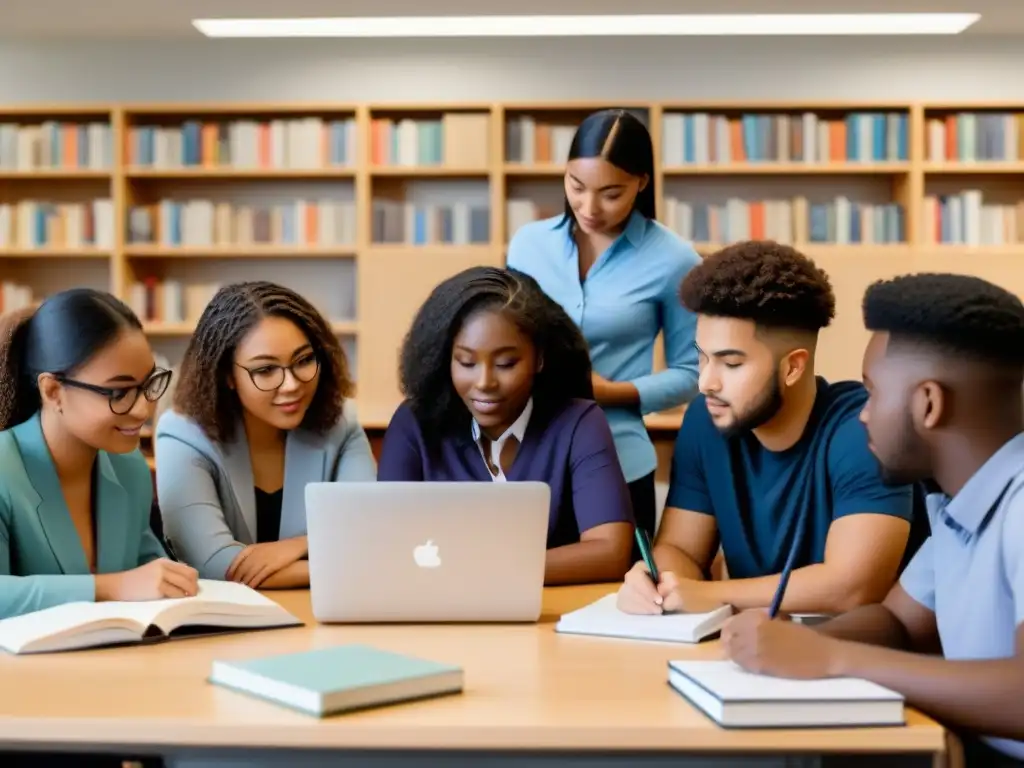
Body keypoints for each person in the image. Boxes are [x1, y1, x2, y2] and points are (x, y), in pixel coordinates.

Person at [722, 273, 1024, 767]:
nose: (863, 415)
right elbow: (899, 622)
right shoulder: (956, 506)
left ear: (928, 403)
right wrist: (798, 642)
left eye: (873, 392)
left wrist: (833, 659)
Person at [617, 241, 922, 617]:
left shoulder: (865, 428)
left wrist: (710, 595)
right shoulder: (705, 419)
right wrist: (659, 583)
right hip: (751, 649)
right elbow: (680, 548)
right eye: (702, 358)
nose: (706, 383)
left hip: (854, 657)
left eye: (730, 364)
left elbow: (852, 588)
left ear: (793, 367)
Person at [507, 108, 700, 549]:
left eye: (611, 193)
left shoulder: (675, 260)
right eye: (576, 186)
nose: (589, 207)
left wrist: (610, 392)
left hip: (619, 458)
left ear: (642, 183)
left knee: (622, 601)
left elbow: (692, 372)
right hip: (528, 455)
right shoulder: (528, 245)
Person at [377, 266, 635, 585]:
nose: (485, 382)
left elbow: (610, 552)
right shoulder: (414, 422)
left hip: (549, 618)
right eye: (466, 363)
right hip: (439, 614)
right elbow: (387, 546)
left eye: (505, 364)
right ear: (444, 359)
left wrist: (481, 571)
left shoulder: (579, 422)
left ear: (539, 358)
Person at [155, 281, 376, 588]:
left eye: (303, 361)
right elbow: (212, 564)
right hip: (227, 626)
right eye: (265, 370)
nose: (291, 384)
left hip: (319, 614)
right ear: (227, 376)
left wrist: (298, 545)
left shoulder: (342, 422)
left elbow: (369, 534)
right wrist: (335, 561)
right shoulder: (182, 433)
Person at [0, 289, 197, 620]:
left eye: (148, 384)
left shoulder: (129, 466)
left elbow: (146, 566)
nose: (144, 409)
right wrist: (111, 587)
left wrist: (173, 579)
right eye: (119, 392)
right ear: (52, 391)